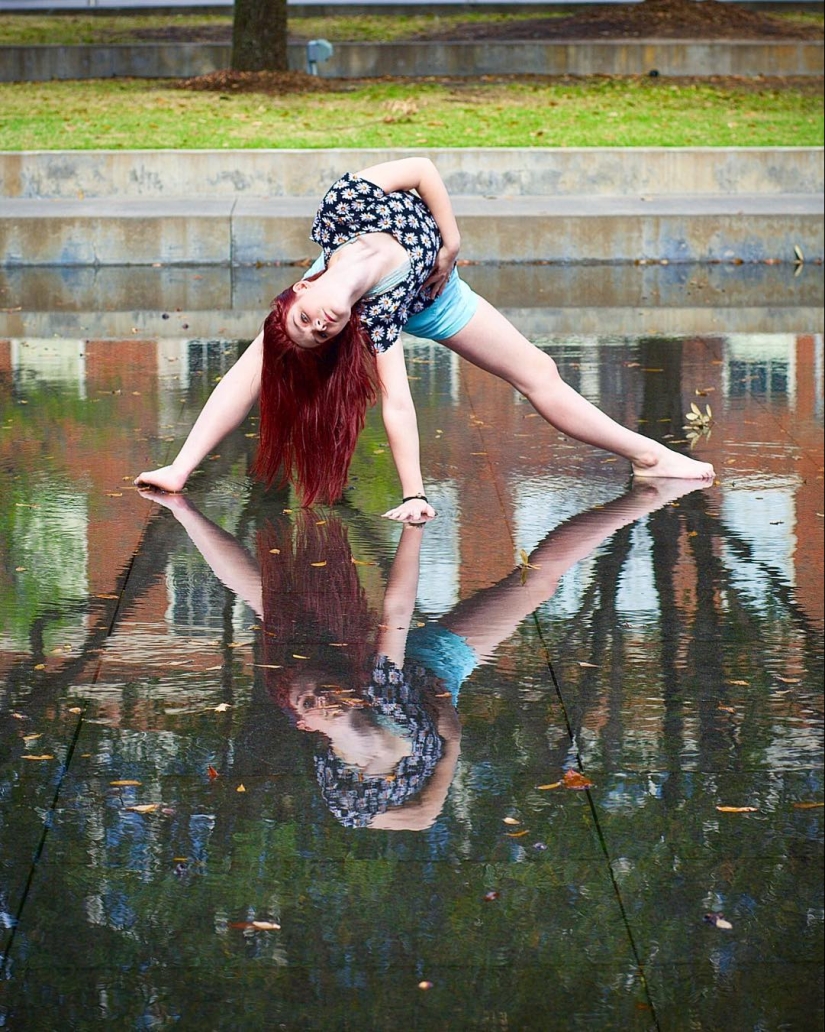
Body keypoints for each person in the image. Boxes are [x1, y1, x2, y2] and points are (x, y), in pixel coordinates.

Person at [135, 158, 714, 521]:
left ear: (299, 290)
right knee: (260, 362)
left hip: (440, 283)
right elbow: (398, 403)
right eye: (319, 334)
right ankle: (183, 467)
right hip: (428, 305)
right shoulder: (372, 317)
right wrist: (414, 494)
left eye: (307, 319)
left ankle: (649, 457)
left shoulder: (343, 207)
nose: (318, 325)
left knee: (539, 372)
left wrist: (451, 239)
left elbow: (420, 169)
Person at [141, 476, 707, 830]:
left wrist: (413, 531)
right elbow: (425, 816)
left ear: (304, 727)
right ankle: (641, 503)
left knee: (272, 602)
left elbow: (393, 614)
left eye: (298, 698)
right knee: (537, 584)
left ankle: (183, 511)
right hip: (435, 672)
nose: (303, 698)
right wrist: (452, 746)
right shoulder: (373, 767)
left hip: (378, 665)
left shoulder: (339, 777)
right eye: (307, 701)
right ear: (317, 724)